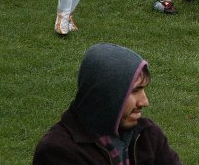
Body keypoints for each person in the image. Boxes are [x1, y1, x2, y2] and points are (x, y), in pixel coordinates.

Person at [33, 43, 182, 164]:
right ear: (108, 94)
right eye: (135, 91)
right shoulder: (59, 151)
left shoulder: (146, 134)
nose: (145, 102)